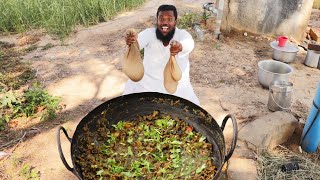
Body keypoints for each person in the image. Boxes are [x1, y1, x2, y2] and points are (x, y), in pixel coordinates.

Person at [123, 4, 200, 105]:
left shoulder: (182, 34)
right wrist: (132, 41)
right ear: (157, 20)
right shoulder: (149, 33)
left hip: (177, 88)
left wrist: (179, 46)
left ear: (175, 21)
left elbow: (189, 43)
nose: (164, 23)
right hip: (147, 86)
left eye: (169, 19)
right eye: (161, 19)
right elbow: (138, 42)